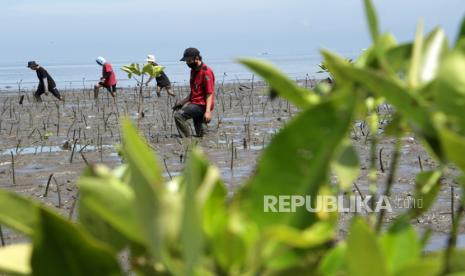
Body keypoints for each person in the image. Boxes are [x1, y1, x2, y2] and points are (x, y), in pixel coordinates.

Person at [173, 47, 215, 137]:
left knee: (178, 116)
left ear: (197, 58)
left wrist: (208, 111)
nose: (187, 63)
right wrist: (182, 103)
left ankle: (186, 139)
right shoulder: (193, 71)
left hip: (201, 105)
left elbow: (209, 93)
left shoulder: (206, 72)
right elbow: (194, 92)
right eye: (186, 61)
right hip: (195, 103)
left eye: (189, 61)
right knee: (201, 134)